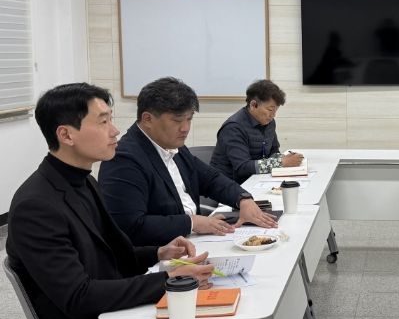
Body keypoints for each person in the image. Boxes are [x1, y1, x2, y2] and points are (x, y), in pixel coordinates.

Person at [6, 83, 214, 319]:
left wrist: (159, 253)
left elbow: (111, 255)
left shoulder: (84, 181)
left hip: (115, 309)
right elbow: (79, 297)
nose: (115, 131)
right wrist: (168, 279)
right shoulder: (36, 207)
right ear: (66, 135)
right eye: (103, 122)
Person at [99, 77, 277, 247]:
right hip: (159, 254)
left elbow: (210, 178)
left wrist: (242, 199)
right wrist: (192, 223)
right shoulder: (124, 159)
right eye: (177, 120)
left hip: (193, 241)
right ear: (148, 119)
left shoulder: (173, 145)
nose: (185, 128)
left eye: (189, 118)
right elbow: (130, 226)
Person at [210, 80, 303, 184]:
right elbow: (242, 167)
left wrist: (285, 158)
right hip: (228, 185)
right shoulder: (233, 128)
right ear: (253, 105)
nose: (273, 115)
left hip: (256, 180)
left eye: (275, 111)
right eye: (270, 110)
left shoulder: (269, 123)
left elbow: (274, 151)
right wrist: (281, 162)